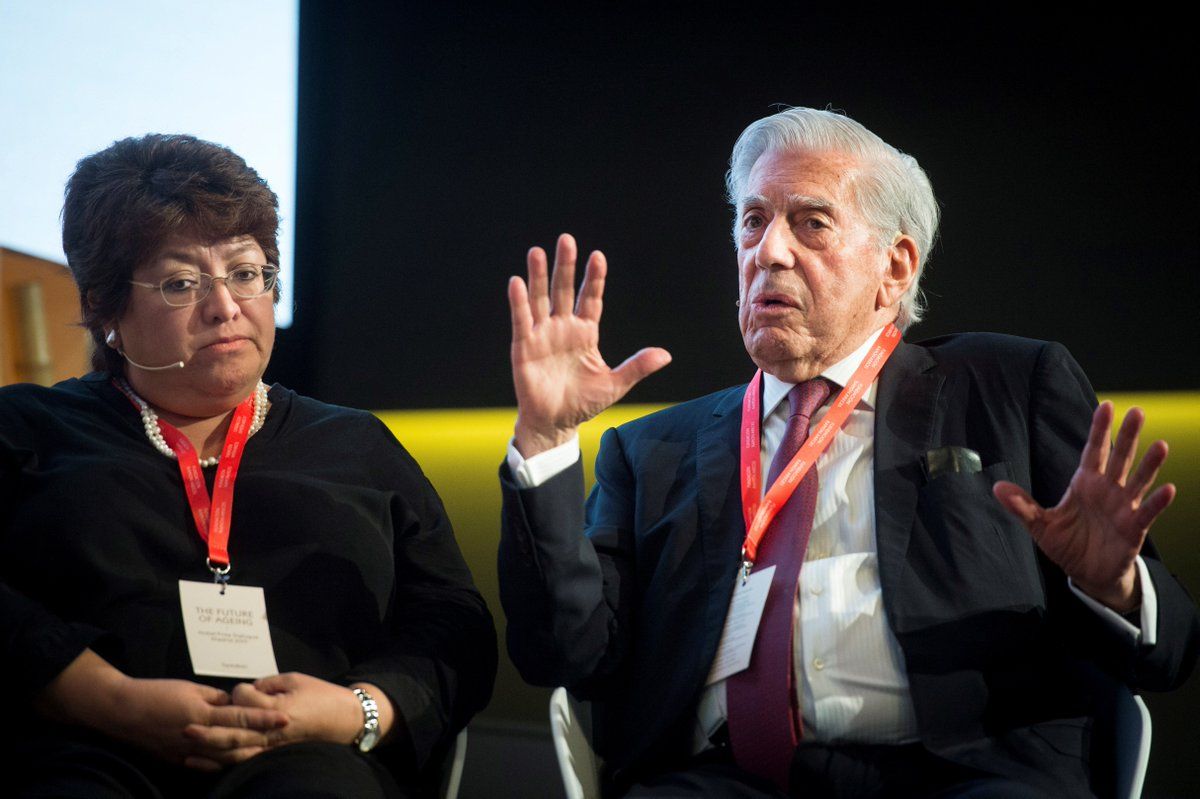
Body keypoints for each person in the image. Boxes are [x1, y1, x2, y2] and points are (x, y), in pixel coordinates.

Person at [497, 107, 1200, 798]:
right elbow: (563, 653)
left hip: (965, 771)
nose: (768, 251)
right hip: (725, 779)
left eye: (811, 222)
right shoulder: (651, 450)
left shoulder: (1007, 388)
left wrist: (1113, 586)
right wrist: (549, 443)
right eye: (752, 220)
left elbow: (1171, 653)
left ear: (894, 267)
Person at [0, 133, 496, 798]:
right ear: (102, 307)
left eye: (246, 271)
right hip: (83, 751)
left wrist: (358, 710)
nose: (226, 306)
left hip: (312, 761)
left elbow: (455, 627)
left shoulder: (358, 446)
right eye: (182, 283)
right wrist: (108, 697)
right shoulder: (30, 430)